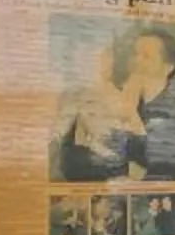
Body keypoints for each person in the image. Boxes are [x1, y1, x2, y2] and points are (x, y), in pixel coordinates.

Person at [51, 30, 144, 182]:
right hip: (87, 177)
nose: (106, 61)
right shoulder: (73, 97)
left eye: (108, 55)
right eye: (96, 56)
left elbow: (141, 148)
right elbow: (57, 138)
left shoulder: (128, 96)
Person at [126, 24, 175, 181]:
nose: (137, 61)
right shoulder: (121, 97)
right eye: (135, 54)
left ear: (168, 67)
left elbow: (160, 162)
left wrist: (129, 112)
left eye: (146, 56)